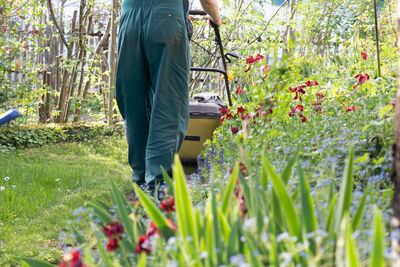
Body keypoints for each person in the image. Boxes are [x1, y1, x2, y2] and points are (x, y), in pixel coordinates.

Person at [115, 0, 222, 197]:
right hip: (167, 20)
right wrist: (216, 19)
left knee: (133, 104)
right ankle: (157, 185)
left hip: (128, 20)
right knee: (169, 105)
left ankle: (140, 181)